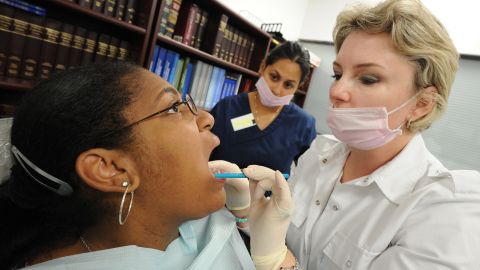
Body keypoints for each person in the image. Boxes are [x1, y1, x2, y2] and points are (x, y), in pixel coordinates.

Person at [248, 0, 480, 269]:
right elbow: (276, 235)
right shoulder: (319, 153)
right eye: (337, 74)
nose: (336, 91)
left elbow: (275, 252)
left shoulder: (445, 208)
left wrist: (278, 263)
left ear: (422, 104)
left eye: (368, 79)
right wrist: (250, 215)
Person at [0, 62, 296, 270]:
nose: (207, 117)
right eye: (173, 108)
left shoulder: (206, 222)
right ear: (111, 169)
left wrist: (265, 249)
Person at [209, 41, 317, 174]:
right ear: (262, 67)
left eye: (288, 85)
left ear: (299, 86)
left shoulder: (303, 124)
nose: (277, 90)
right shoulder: (227, 108)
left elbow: (309, 175)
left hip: (268, 195)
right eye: (274, 77)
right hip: (218, 192)